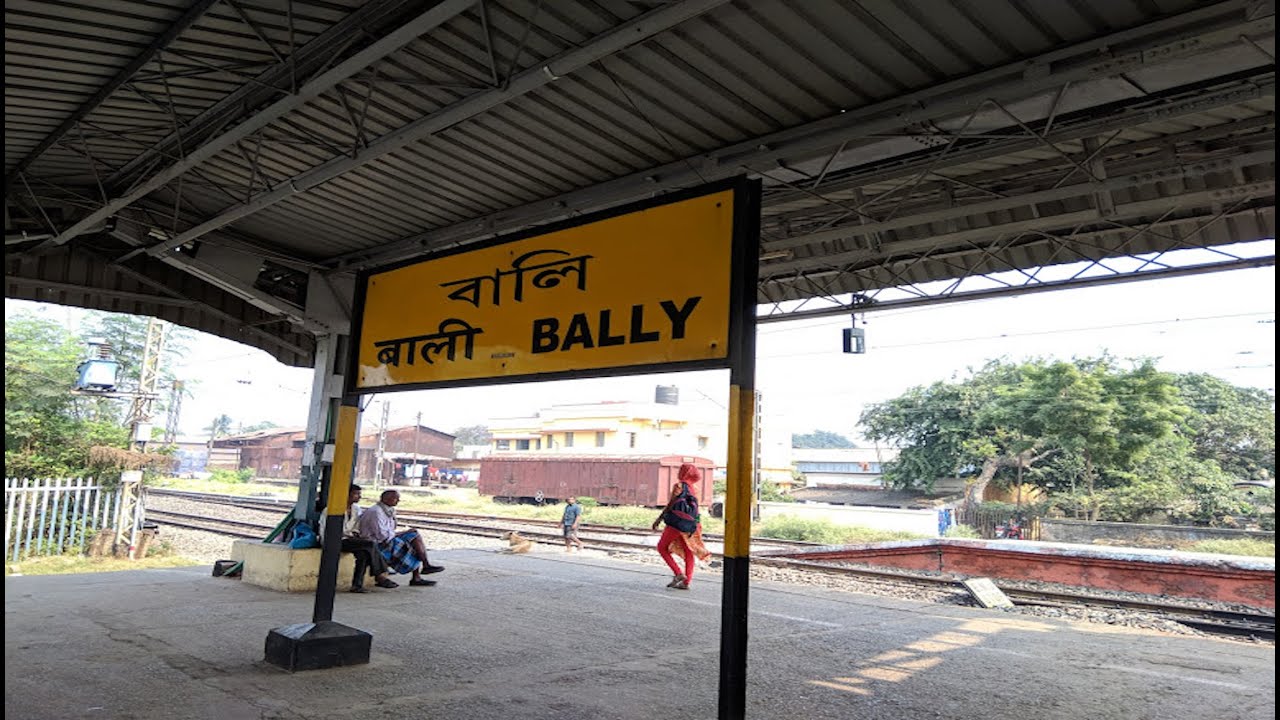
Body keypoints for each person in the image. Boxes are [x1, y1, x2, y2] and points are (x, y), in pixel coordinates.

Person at [357, 489, 445, 587]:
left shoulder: (387, 510)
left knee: (414, 535)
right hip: (377, 542)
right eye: (395, 498)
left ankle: (423, 568)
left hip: (386, 538)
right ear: (386, 499)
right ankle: (421, 569)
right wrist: (400, 534)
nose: (398, 501)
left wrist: (401, 533)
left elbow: (390, 529)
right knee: (408, 543)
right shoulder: (376, 512)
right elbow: (382, 535)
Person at [327, 484, 397, 593]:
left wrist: (355, 534)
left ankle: (357, 585)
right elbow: (328, 530)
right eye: (356, 494)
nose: (359, 497)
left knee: (363, 554)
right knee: (370, 544)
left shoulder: (356, 509)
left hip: (351, 539)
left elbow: (357, 527)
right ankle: (380, 573)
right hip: (335, 540)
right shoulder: (333, 509)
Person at [651, 464, 703, 590]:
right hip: (692, 523)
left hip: (676, 522)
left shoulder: (679, 486)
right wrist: (696, 525)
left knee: (662, 547)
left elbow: (671, 504)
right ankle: (686, 582)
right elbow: (696, 509)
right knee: (688, 550)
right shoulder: (696, 489)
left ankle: (678, 573)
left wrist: (659, 519)